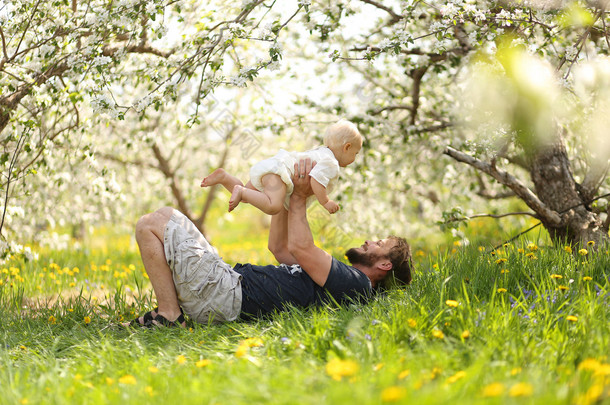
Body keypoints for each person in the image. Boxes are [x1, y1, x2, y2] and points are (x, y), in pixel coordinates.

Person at [128, 159, 412, 328]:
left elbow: (302, 248)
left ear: (385, 264)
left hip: (223, 293)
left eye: (378, 243)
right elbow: (280, 248)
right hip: (224, 285)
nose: (368, 241)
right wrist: (287, 196)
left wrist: (301, 196)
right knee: (158, 218)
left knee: (154, 222)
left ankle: (169, 313)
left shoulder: (357, 284)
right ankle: (169, 311)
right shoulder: (340, 284)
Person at [201, 119, 363, 215]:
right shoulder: (331, 163)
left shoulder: (319, 152)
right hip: (279, 174)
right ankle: (241, 190)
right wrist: (325, 201)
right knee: (273, 207)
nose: (354, 158)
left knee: (244, 198)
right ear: (346, 147)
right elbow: (316, 180)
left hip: (273, 165)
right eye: (355, 153)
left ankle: (224, 178)